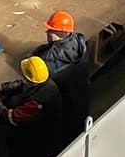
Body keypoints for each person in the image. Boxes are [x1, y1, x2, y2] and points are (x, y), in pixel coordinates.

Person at [0, 56, 63, 157]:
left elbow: (12, 117)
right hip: (47, 138)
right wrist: (3, 87)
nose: (23, 78)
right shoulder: (46, 82)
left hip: (35, 148)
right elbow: (24, 84)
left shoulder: (36, 103)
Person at [33, 10, 90, 144]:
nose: (47, 32)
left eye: (50, 30)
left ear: (58, 34)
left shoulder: (50, 59)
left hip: (68, 104)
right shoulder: (78, 41)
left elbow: (37, 72)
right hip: (82, 96)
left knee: (67, 134)